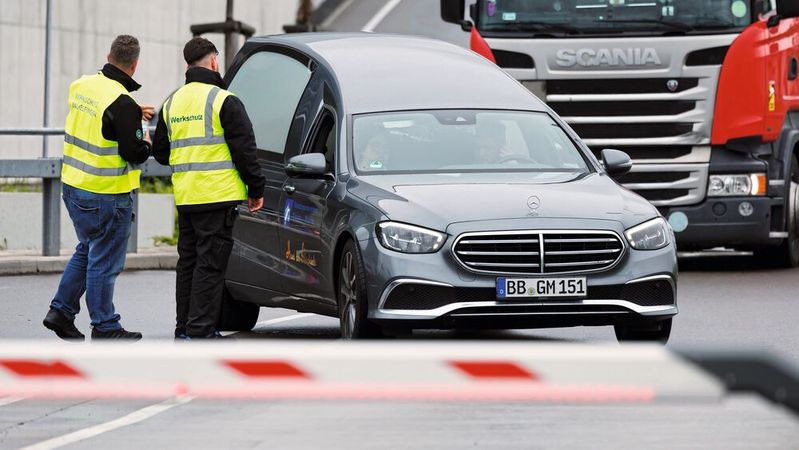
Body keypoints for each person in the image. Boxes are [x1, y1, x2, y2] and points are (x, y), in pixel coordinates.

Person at [153, 37, 265, 340]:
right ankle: (201, 330)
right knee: (211, 265)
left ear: (188, 65)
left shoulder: (172, 102)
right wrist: (256, 189)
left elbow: (161, 153)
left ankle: (184, 329)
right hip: (218, 197)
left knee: (187, 263)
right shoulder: (224, 100)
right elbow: (245, 150)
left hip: (187, 197)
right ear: (214, 61)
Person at [43, 35, 153, 341]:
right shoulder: (123, 103)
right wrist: (145, 141)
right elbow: (134, 152)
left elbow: (102, 117)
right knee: (104, 261)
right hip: (106, 194)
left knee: (88, 248)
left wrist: (130, 114)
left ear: (109, 55)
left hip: (74, 187)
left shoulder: (81, 85)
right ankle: (105, 325)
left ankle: (61, 311)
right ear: (135, 64)